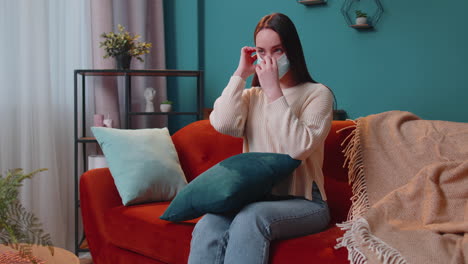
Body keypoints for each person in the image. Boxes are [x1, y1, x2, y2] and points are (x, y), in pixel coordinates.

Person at [188, 13, 334, 264]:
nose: (269, 59)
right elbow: (223, 123)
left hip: (307, 203)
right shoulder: (252, 96)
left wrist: (273, 91)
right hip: (256, 197)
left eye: (277, 50)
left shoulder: (318, 94)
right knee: (208, 224)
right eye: (261, 51)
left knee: (251, 217)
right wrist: (240, 74)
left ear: (292, 51)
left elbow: (296, 148)